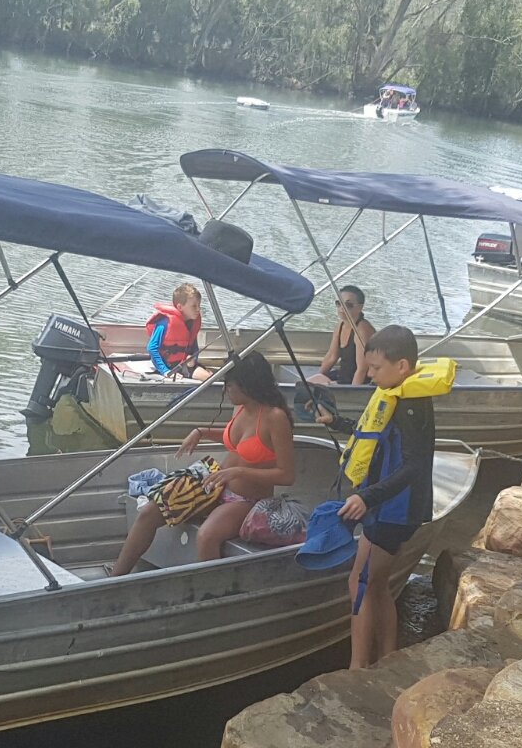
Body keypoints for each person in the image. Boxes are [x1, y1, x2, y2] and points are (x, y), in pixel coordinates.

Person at [319, 326, 453, 668]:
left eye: (376, 368)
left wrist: (368, 497)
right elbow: (374, 432)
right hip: (385, 506)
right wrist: (337, 422)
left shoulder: (411, 406)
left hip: (395, 509)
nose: (371, 374)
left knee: (361, 582)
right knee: (375, 584)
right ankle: (388, 656)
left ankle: (358, 667)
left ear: (402, 366)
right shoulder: (396, 393)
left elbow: (414, 467)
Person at [105, 352, 296, 576]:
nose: (226, 390)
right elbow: (237, 439)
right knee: (150, 511)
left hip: (247, 500)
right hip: (216, 485)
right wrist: (201, 432)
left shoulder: (275, 418)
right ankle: (116, 578)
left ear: (249, 385)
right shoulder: (241, 408)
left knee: (207, 535)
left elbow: (286, 475)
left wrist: (239, 472)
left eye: (230, 385)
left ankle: (211, 591)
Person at [307, 286, 374, 387]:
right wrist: (320, 375)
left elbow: (362, 369)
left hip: (358, 381)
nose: (342, 308)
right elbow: (332, 356)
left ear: (360, 308)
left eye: (348, 305)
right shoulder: (340, 325)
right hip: (343, 376)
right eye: (339, 303)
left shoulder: (362, 329)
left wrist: (351, 392)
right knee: (305, 384)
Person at [146, 283, 211, 380]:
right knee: (208, 378)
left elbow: (195, 348)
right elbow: (152, 348)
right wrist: (165, 371)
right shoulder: (165, 323)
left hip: (184, 365)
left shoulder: (192, 324)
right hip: (167, 367)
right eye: (194, 306)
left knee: (211, 377)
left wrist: (193, 358)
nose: (198, 309)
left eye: (199, 305)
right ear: (180, 307)